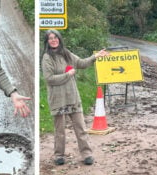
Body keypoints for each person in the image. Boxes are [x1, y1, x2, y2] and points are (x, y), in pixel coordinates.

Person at [41, 29, 109, 165]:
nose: (53, 40)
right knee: (60, 131)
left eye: (55, 37)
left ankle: (87, 154)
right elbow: (49, 79)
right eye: (50, 38)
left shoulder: (67, 54)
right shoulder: (47, 57)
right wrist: (68, 75)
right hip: (58, 99)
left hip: (72, 97)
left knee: (81, 127)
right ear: (47, 41)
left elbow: (82, 63)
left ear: (59, 39)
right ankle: (59, 155)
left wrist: (96, 57)